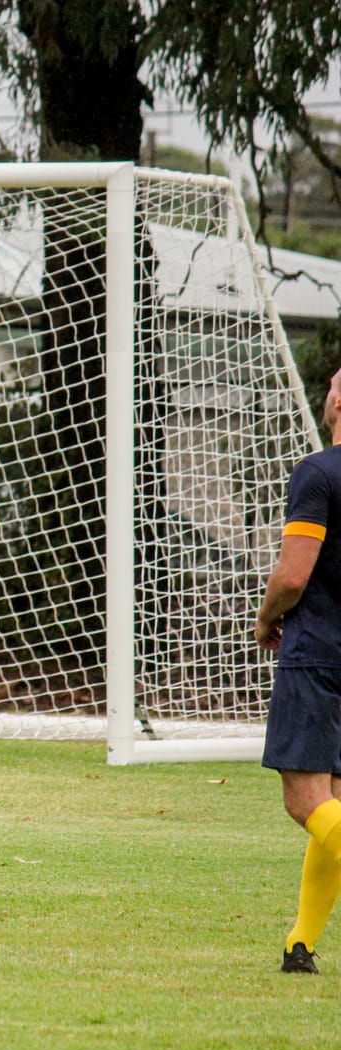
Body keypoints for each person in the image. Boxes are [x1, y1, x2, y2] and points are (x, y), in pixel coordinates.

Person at [255, 359, 341, 973]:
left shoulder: (319, 474)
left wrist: (265, 617)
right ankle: (300, 944)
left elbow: (292, 575)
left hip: (318, 653)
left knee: (305, 800)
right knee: (335, 799)